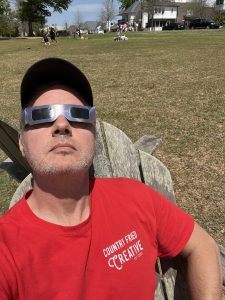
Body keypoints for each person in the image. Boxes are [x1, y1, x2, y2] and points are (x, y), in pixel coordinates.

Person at [0, 57, 222, 300]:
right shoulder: (7, 248)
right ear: (21, 142)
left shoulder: (136, 197)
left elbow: (203, 247)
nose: (62, 124)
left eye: (78, 114)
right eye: (41, 115)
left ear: (93, 135)